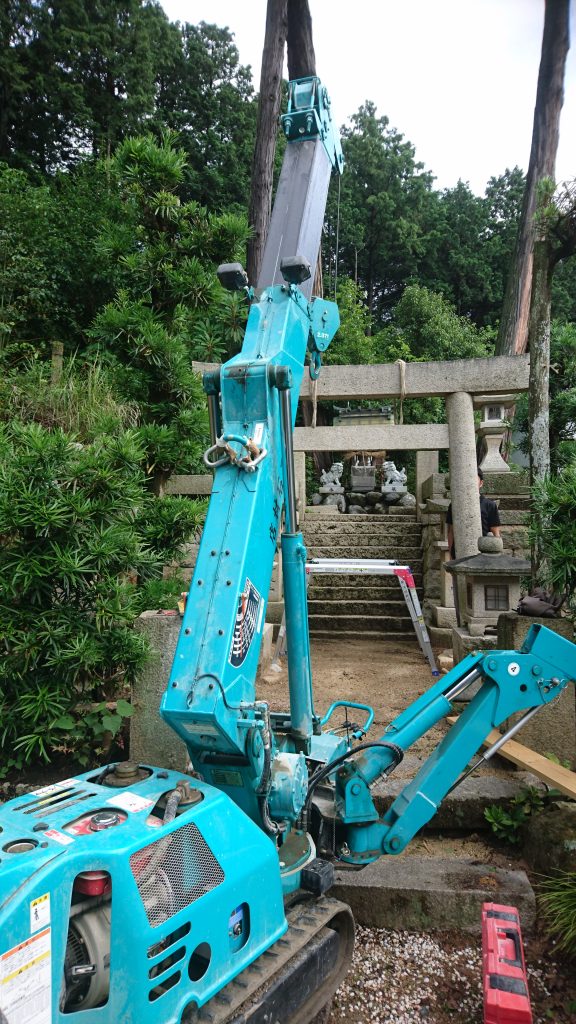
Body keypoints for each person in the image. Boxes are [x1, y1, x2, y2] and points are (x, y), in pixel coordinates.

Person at [446, 467, 500, 559]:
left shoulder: (490, 505)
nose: (469, 482)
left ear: (481, 483)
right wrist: (451, 554)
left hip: (484, 555)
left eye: (473, 479)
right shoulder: (454, 505)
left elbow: (496, 533)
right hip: (459, 552)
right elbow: (451, 531)